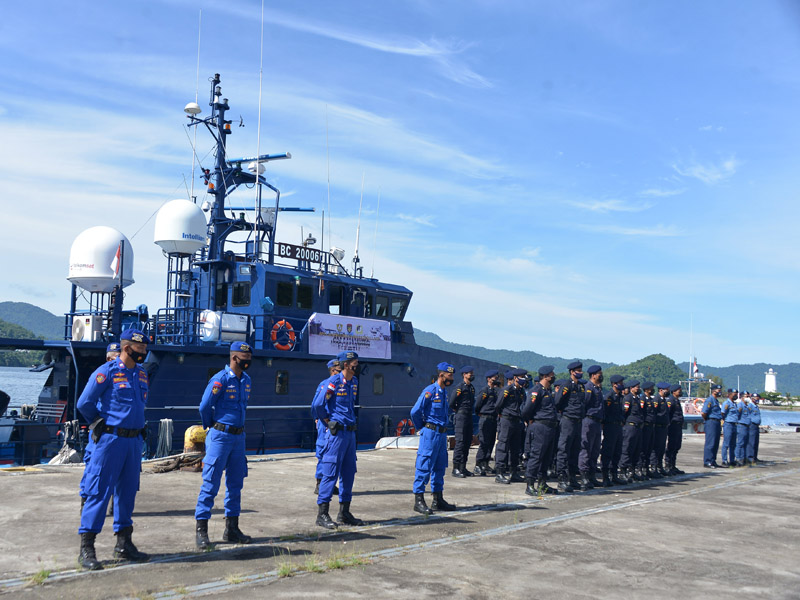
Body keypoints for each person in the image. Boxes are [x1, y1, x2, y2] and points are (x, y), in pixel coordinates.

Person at [76, 329, 150, 571]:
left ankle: (124, 543)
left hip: (133, 441)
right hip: (110, 441)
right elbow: (84, 403)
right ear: (127, 348)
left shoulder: (141, 374)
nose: (144, 353)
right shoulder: (106, 372)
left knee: (127, 492)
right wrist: (97, 422)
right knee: (99, 491)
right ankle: (87, 547)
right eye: (140, 349)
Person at [194, 341, 253, 549]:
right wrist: (210, 425)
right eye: (244, 359)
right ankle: (201, 530)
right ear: (234, 358)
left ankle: (232, 529)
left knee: (236, 483)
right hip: (220, 435)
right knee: (210, 483)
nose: (248, 362)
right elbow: (204, 406)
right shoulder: (220, 379)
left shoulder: (246, 380)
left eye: (249, 359)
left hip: (238, 437)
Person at [312, 351, 363, 529]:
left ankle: (344, 512)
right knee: (330, 471)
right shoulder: (333, 382)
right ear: (346, 364)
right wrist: (327, 421)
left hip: (350, 433)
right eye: (355, 363)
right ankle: (322, 514)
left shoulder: (354, 382)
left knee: (349, 472)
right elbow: (317, 404)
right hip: (336, 434)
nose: (357, 365)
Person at [80, 342, 123, 515]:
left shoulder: (130, 375)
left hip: (118, 432)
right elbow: (85, 403)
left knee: (118, 469)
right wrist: (96, 421)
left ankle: (114, 504)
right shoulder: (103, 374)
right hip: (101, 431)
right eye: (116, 356)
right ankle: (86, 501)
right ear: (108, 358)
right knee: (93, 466)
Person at [410, 362, 457, 515]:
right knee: (424, 464)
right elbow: (415, 411)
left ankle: (438, 499)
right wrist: (421, 428)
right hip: (430, 433)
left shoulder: (444, 393)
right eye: (449, 375)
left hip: (442, 434)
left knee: (439, 466)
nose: (451, 378)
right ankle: (418, 500)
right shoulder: (430, 391)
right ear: (441, 375)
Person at [521, 366, 559, 496]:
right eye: (552, 374)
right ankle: (530, 484)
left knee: (547, 457)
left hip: (550, 427)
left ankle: (542, 484)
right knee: (536, 456)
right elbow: (526, 410)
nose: (553, 376)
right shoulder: (536, 391)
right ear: (545, 376)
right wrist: (530, 420)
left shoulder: (548, 390)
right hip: (540, 427)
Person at [555, 361, 586, 492]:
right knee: (564, 449)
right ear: (572, 372)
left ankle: (572, 478)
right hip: (568, 420)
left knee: (575, 449)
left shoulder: (581, 386)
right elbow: (558, 402)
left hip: (578, 421)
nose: (580, 372)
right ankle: (562, 478)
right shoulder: (566, 385)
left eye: (581, 370)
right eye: (578, 371)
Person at [494, 368, 528, 484]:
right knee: (503, 446)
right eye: (521, 377)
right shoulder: (507, 390)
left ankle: (514, 472)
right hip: (507, 420)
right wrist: (502, 415)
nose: (523, 379)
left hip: (517, 421)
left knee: (515, 448)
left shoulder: (521, 391)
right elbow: (498, 405)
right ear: (515, 378)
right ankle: (499, 473)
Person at [313, 359, 341, 495]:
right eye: (339, 370)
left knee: (335, 453)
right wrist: (318, 419)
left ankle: (330, 483)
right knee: (323, 451)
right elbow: (316, 404)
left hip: (336, 424)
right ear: (333, 371)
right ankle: (320, 483)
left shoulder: (344, 384)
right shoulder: (325, 384)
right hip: (326, 423)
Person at [578, 365, 604, 490]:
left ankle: (592, 476)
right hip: (588, 420)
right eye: (599, 374)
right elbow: (585, 404)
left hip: (597, 422)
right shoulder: (588, 388)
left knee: (595, 450)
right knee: (586, 449)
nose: (601, 376)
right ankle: (584, 476)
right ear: (593, 375)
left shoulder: (597, 389)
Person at [473, 369, 501, 476]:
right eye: (494, 378)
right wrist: (480, 413)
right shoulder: (484, 391)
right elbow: (477, 405)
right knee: (484, 442)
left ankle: (485, 463)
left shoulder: (495, 391)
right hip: (485, 418)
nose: (496, 379)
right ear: (489, 379)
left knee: (491, 442)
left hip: (493, 419)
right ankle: (478, 464)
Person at [450, 366, 476, 478]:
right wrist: (458, 410)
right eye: (470, 373)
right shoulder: (459, 388)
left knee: (467, 442)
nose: (472, 375)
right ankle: (455, 468)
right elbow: (452, 403)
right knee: (460, 443)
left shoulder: (472, 388)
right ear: (464, 374)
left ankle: (462, 467)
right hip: (461, 416)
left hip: (469, 416)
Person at [601, 375, 626, 486]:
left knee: (617, 451)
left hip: (618, 426)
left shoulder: (620, 396)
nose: (622, 385)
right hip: (610, 426)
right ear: (614, 384)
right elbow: (605, 412)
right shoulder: (609, 397)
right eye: (620, 383)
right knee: (608, 451)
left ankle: (614, 475)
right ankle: (605, 476)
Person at [618, 380, 643, 484]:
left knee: (636, 450)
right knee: (627, 449)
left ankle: (632, 471)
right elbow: (624, 412)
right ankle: (622, 471)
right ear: (631, 388)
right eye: (637, 387)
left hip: (637, 427)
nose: (638, 388)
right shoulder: (628, 398)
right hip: (630, 427)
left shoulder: (637, 398)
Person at [650, 383, 670, 477]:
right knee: (656, 447)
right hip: (658, 427)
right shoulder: (656, 400)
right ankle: (653, 467)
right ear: (661, 390)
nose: (668, 391)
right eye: (667, 389)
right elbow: (654, 413)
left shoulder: (664, 400)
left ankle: (659, 466)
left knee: (662, 448)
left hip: (663, 427)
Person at [701, 385, 723, 468]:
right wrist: (708, 420)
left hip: (717, 422)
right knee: (710, 443)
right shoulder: (710, 400)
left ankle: (713, 460)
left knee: (716, 443)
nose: (720, 392)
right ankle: (707, 461)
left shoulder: (716, 400)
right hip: (711, 422)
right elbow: (704, 413)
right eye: (718, 390)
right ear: (714, 391)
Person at [665, 384, 685, 475]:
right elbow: (668, 413)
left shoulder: (676, 400)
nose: (680, 392)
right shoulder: (671, 400)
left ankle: (673, 465)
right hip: (673, 426)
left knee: (677, 446)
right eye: (679, 391)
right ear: (674, 392)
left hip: (678, 426)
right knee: (672, 446)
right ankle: (668, 465)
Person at [638, 382, 656, 480]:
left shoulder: (650, 400)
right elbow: (642, 412)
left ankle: (646, 469)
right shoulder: (643, 399)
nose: (653, 390)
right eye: (651, 388)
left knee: (649, 448)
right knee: (643, 449)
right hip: (645, 427)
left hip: (651, 427)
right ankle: (640, 469)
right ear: (646, 390)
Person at [719, 389, 739, 467]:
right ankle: (724, 460)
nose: (736, 395)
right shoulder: (726, 403)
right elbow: (722, 413)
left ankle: (732, 460)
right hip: (728, 424)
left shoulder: (735, 404)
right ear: (730, 394)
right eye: (734, 394)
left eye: (736, 394)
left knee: (733, 444)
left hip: (734, 424)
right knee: (726, 443)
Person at [734, 391, 750, 467]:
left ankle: (743, 458)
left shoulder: (747, 406)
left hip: (746, 426)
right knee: (740, 443)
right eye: (747, 396)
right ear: (742, 397)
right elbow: (737, 415)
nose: (748, 398)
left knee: (745, 443)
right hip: (741, 425)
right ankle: (738, 458)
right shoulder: (740, 405)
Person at [747, 395, 761, 464]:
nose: (757, 400)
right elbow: (747, 415)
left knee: (756, 442)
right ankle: (750, 457)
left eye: (758, 399)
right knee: (751, 442)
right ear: (752, 399)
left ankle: (755, 457)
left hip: (756, 426)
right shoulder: (750, 406)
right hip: (752, 425)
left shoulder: (756, 406)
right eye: (756, 398)